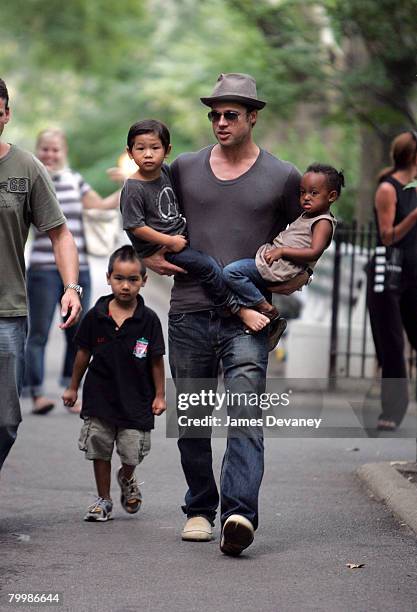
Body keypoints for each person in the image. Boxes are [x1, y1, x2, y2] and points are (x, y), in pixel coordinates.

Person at [142, 73, 308, 555]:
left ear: (253, 116)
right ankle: (199, 507)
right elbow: (148, 222)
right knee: (192, 419)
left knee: (245, 416)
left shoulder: (284, 176)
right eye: (214, 114)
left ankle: (239, 514)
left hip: (248, 319)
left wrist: (299, 276)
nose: (220, 121)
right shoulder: (184, 169)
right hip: (189, 311)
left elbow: (305, 238)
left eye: (230, 114)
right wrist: (149, 257)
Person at [120, 119, 270, 334]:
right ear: (130, 152)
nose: (148, 154)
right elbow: (135, 226)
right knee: (208, 267)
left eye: (155, 148)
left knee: (216, 261)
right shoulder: (134, 187)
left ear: (167, 150)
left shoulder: (165, 172)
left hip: (178, 239)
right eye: (140, 148)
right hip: (162, 248)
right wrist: (168, 241)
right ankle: (238, 309)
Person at [0, 78, 82, 471]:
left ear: (6, 115)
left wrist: (71, 286)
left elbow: (59, 232)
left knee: (5, 420)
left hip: (8, 309)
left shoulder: (26, 167)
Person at [62, 245, 166, 521]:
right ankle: (103, 499)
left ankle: (127, 476)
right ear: (108, 278)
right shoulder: (96, 316)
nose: (125, 286)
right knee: (99, 446)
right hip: (100, 397)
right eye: (119, 278)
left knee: (132, 451)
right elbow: (82, 353)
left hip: (137, 399)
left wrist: (159, 395)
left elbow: (156, 359)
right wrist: (72, 386)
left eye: (133, 280)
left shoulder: (149, 320)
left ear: (144, 281)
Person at [24, 128, 121, 415]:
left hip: (77, 272)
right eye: (45, 149)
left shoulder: (75, 181)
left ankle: (71, 389)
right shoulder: (31, 181)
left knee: (77, 332)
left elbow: (102, 205)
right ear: (38, 150)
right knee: (38, 332)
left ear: (63, 152)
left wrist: (131, 184)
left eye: (55, 150)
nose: (50, 154)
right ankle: (37, 393)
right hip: (42, 270)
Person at [223, 163, 341, 317]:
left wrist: (282, 251)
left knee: (232, 273)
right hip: (275, 263)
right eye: (302, 192)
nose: (306, 197)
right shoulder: (308, 216)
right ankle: (259, 314)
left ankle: (263, 306)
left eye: (314, 193)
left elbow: (314, 252)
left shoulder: (323, 222)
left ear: (331, 196)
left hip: (280, 267)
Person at [367, 131, 417, 431]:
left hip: (415, 273)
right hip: (388, 274)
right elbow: (388, 236)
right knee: (392, 344)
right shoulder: (388, 188)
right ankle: (393, 410)